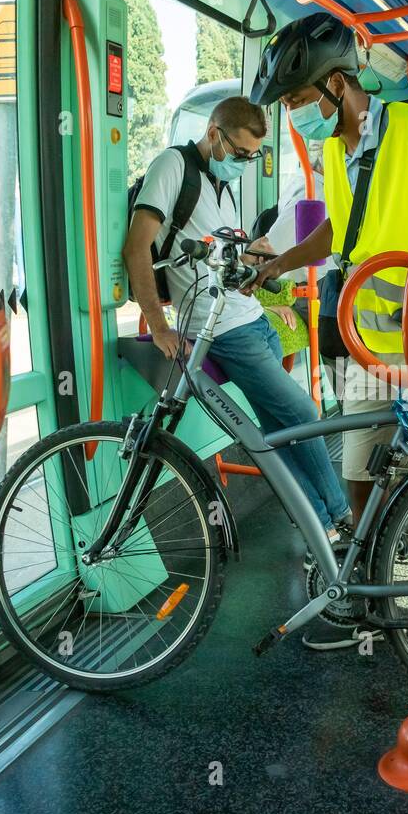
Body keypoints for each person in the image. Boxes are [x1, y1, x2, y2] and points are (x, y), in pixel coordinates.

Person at [250, 12, 408, 677]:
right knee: (360, 469)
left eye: (298, 100)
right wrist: (279, 263)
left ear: (338, 86)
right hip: (370, 339)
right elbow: (341, 228)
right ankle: (369, 599)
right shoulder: (337, 152)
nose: (294, 115)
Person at [122, 96, 350, 546]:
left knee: (278, 436)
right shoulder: (173, 168)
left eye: (253, 157)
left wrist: (262, 265)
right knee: (302, 412)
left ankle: (318, 526)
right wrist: (158, 324)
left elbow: (222, 252)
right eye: (241, 154)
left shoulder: (219, 184)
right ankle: (340, 517)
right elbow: (137, 248)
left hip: (251, 318)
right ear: (213, 134)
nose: (245, 164)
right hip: (224, 329)